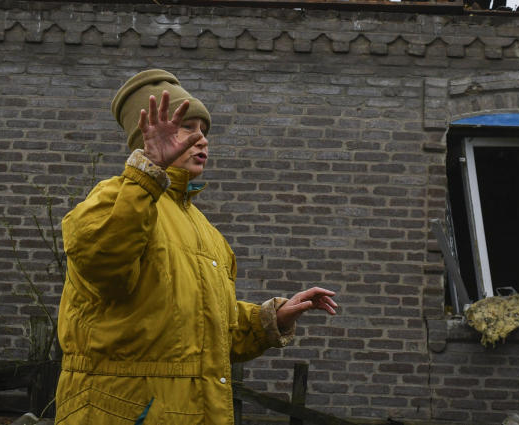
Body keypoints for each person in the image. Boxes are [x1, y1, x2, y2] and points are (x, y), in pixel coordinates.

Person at [54, 69, 338, 425]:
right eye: (188, 128)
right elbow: (102, 266)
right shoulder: (113, 198)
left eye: (205, 131)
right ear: (147, 134)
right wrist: (149, 170)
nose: (202, 140)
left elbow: (208, 335)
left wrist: (270, 319)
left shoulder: (205, 230)